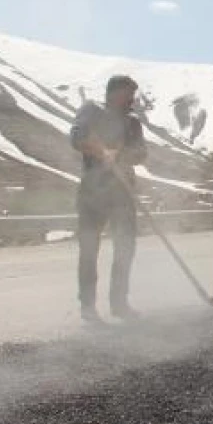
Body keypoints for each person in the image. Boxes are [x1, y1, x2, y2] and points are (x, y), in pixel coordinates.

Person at [70, 75, 148, 323]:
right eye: (129, 94)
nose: (132, 100)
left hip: (123, 194)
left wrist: (120, 154)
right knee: (89, 249)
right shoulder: (91, 111)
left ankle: (119, 303)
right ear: (114, 93)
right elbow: (77, 138)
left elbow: (141, 153)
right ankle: (88, 306)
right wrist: (101, 152)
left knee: (125, 248)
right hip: (93, 192)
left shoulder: (133, 123)